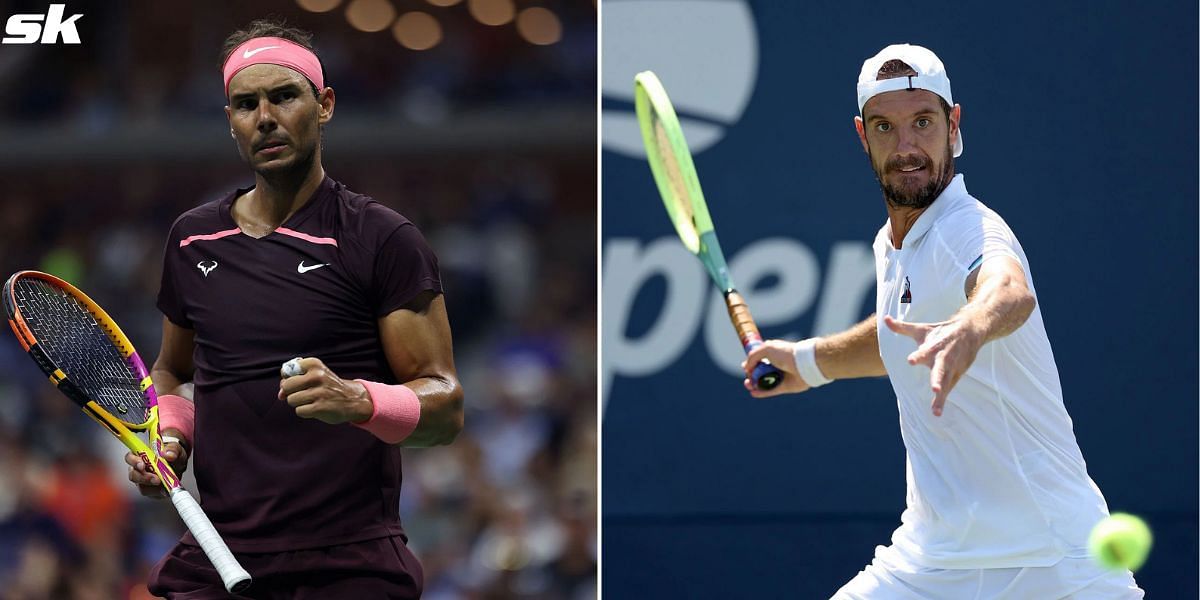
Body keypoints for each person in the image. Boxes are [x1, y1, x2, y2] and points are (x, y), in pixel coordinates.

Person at [742, 44, 1143, 599]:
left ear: (953, 125)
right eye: (885, 127)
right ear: (864, 137)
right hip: (932, 560)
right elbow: (895, 333)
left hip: (1055, 561)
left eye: (923, 122)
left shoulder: (968, 231)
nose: (906, 147)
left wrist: (972, 326)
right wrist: (809, 362)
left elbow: (1008, 289)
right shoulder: (894, 244)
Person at [122, 19, 463, 598]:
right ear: (230, 120)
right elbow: (175, 372)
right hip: (221, 555)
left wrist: (359, 400)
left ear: (324, 104)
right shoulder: (191, 240)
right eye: (245, 104)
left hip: (348, 564)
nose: (265, 118)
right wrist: (172, 439)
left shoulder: (381, 239)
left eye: (284, 96)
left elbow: (445, 408)